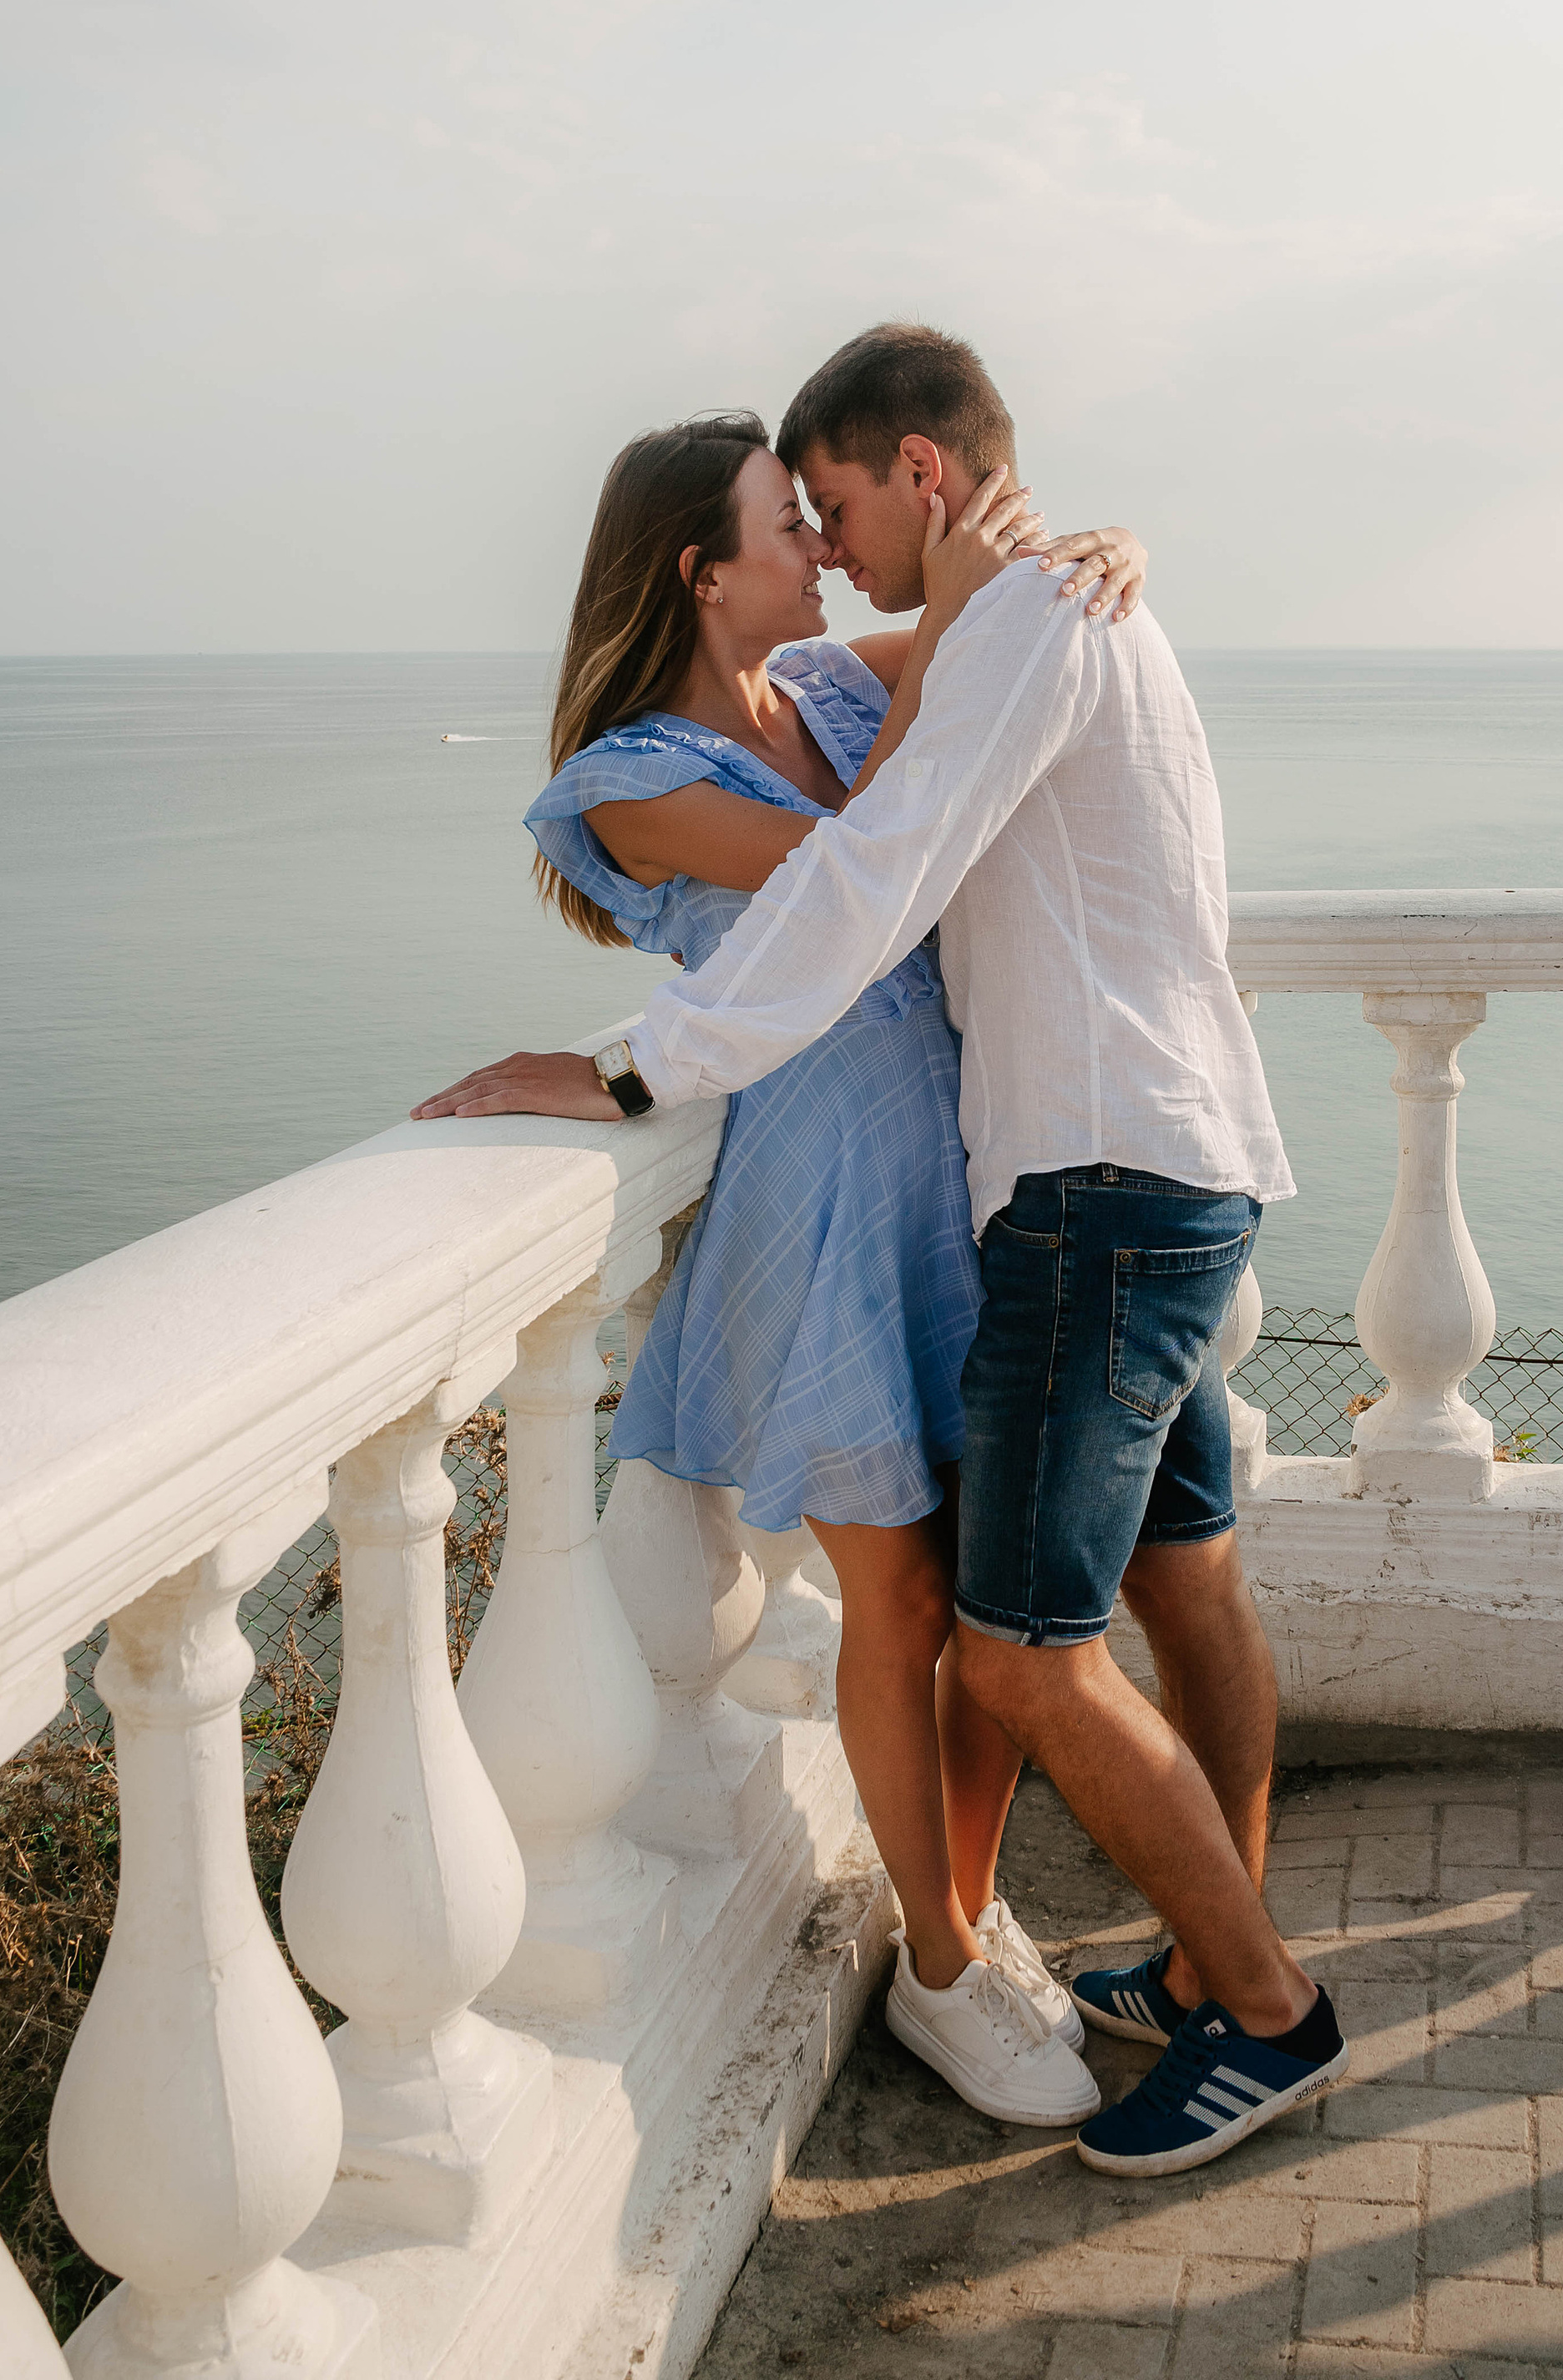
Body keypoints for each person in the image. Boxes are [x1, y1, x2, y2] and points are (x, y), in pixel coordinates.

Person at [432, 326, 1348, 2180]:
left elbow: (885, 852)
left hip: (1062, 1179)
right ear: (700, 572)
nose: (824, 546)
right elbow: (878, 825)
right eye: (790, 521)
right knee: (1087, 1591)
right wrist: (1055, 571)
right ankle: (1090, 1960)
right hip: (933, 1184)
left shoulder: (961, 648)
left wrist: (623, 1067)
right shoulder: (845, 691)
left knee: (1016, 1641)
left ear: (917, 476)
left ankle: (1234, 1993)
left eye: (828, 503)